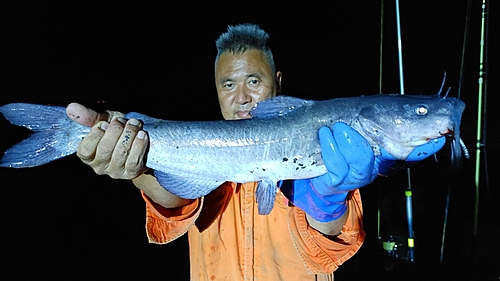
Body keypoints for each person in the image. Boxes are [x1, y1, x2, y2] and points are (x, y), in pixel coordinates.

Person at [65, 24, 440, 280]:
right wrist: (138, 166)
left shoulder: (335, 148)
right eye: (228, 83)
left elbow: (328, 251)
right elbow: (175, 201)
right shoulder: (202, 154)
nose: (241, 96)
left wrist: (328, 198)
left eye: (254, 80)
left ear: (278, 83)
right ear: (214, 88)